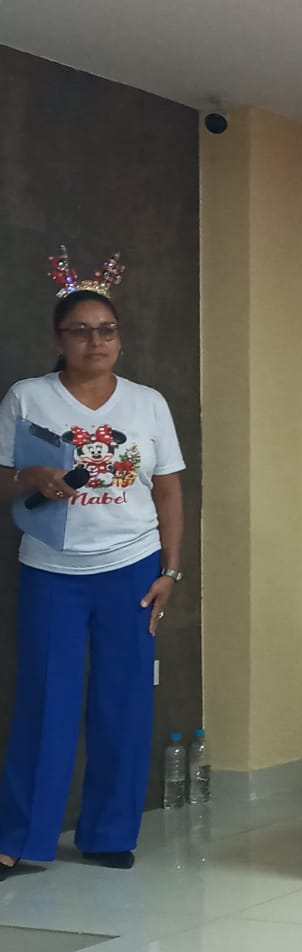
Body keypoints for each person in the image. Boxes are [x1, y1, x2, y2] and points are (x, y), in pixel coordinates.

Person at [0, 255, 186, 879]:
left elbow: (168, 491)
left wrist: (171, 571)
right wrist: (31, 476)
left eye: (106, 329)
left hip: (131, 568)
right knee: (44, 702)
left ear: (119, 337)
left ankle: (108, 834)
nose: (95, 341)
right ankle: (21, 838)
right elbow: (1, 476)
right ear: (59, 339)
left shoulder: (147, 404)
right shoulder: (28, 396)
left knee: (123, 702)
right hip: (51, 569)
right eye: (80, 330)